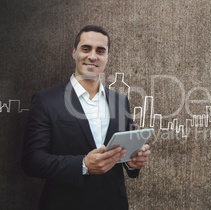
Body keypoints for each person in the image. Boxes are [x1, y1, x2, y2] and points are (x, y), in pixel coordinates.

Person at [22, 25, 151, 210]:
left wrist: (133, 163)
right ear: (74, 52)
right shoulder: (46, 100)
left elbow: (126, 155)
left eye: (100, 51)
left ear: (107, 57)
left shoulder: (120, 101)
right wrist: (83, 165)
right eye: (86, 48)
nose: (92, 56)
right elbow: (32, 161)